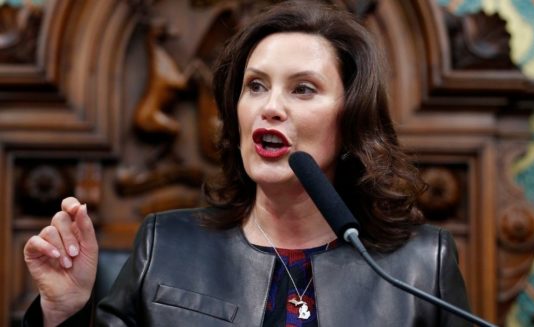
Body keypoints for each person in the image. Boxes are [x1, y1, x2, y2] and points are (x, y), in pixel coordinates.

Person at [22, 1, 472, 326]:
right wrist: (61, 314)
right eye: (255, 86)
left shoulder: (420, 266)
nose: (269, 107)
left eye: (303, 89)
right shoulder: (165, 245)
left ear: (350, 119)